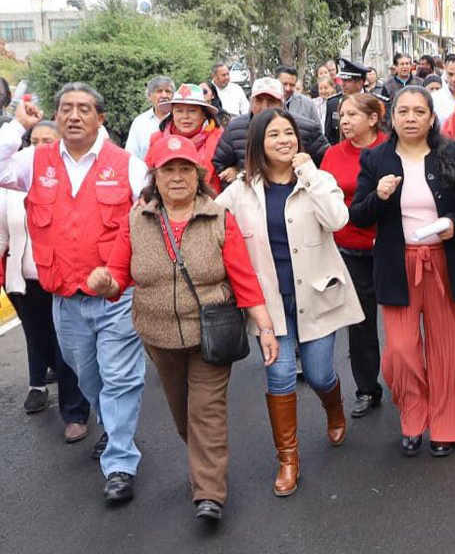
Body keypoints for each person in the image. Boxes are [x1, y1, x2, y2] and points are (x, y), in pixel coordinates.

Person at [87, 134, 278, 522]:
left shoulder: (219, 218)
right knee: (183, 414)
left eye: (185, 169)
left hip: (211, 335)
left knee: (206, 412)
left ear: (198, 176)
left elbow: (243, 277)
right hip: (159, 338)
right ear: (154, 177)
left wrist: (266, 327)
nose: (177, 177)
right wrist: (106, 283)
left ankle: (209, 492)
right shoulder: (136, 221)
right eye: (168, 170)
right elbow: (118, 275)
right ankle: (206, 460)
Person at [0, 84, 149, 503]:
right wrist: (17, 125)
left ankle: (120, 462)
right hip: (65, 299)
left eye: (84, 109)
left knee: (119, 378)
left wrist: (124, 275)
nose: (74, 116)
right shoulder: (33, 161)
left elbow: (145, 223)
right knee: (87, 376)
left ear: (100, 118)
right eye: (66, 108)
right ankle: (114, 426)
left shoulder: (128, 166)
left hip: (116, 298)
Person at [216, 109, 364, 497]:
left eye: (289, 133)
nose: (284, 140)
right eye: (274, 135)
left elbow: (338, 219)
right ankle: (287, 459)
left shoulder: (318, 179)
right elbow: (210, 223)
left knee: (318, 374)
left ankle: (333, 407)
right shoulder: (241, 190)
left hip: (316, 295)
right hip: (268, 304)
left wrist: (309, 173)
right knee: (280, 376)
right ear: (258, 143)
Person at [352, 86, 455, 457]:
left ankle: (446, 424)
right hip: (398, 265)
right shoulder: (376, 159)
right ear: (392, 119)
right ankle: (412, 415)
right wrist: (378, 196)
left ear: (431, 118)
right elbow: (358, 216)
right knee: (401, 350)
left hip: (444, 263)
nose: (411, 118)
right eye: (403, 111)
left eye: (419, 111)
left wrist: (453, 225)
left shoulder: (451, 154)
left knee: (447, 349)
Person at [0, 121, 90, 440]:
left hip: (63, 281)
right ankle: (80, 387)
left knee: (66, 349)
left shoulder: (71, 179)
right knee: (41, 345)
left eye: (47, 141)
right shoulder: (12, 184)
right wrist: (17, 125)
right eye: (34, 140)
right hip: (24, 284)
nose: (39, 147)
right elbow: (3, 234)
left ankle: (75, 413)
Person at [319, 94, 389, 418]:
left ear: (373, 119)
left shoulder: (391, 148)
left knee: (402, 322)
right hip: (350, 249)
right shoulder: (333, 155)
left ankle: (412, 384)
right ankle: (367, 388)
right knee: (360, 323)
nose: (344, 121)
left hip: (391, 246)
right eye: (341, 115)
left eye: (351, 115)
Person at [211, 77, 329, 184]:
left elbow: (328, 163)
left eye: (271, 101)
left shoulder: (306, 128)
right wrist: (237, 173)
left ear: (282, 103)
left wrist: (307, 170)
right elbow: (219, 164)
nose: (265, 107)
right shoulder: (235, 129)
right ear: (251, 102)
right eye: (259, 100)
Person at [148, 83, 225, 192]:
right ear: (172, 113)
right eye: (179, 111)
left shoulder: (220, 139)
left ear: (204, 114)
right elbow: (149, 176)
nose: (185, 116)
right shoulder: (157, 139)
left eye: (192, 111)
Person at [124, 77, 175, 159]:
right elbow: (131, 156)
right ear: (149, 96)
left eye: (168, 91)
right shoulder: (140, 122)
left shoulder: (179, 120)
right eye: (159, 91)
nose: (164, 95)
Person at [315, 75, 338, 143]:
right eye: (320, 88)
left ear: (332, 88)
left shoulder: (337, 101)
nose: (323, 91)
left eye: (326, 88)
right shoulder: (314, 102)